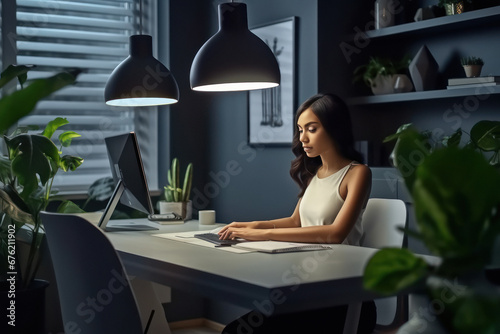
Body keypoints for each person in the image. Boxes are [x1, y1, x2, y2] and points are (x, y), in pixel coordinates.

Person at [219, 93, 376, 334]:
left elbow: (335, 233)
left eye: (311, 129)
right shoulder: (315, 174)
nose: (302, 137)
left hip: (342, 298)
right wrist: (251, 225)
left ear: (334, 128)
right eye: (300, 129)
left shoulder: (358, 173)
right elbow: (296, 221)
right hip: (308, 288)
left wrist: (263, 236)